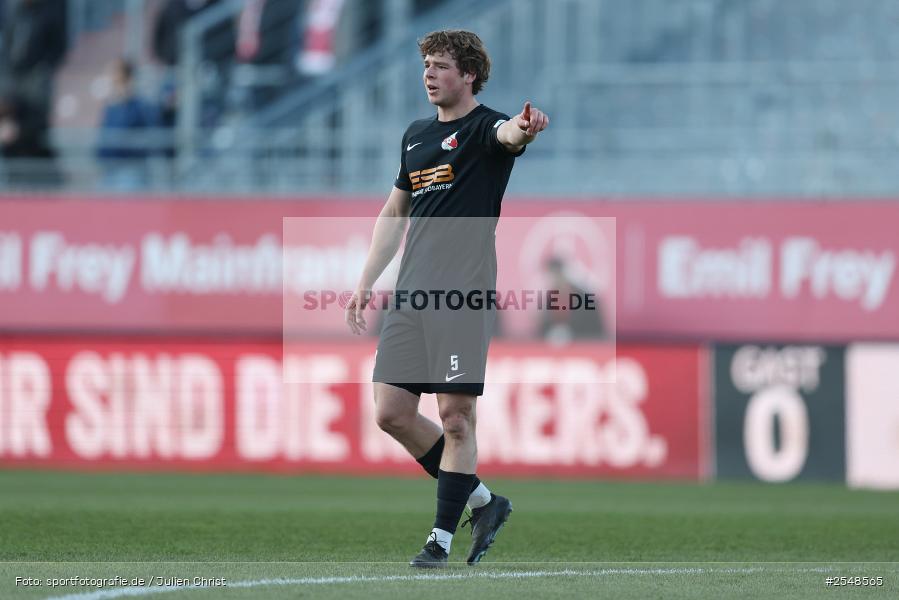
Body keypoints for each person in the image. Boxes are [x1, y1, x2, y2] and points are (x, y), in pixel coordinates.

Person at [344, 30, 548, 568]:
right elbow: (393, 214)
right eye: (426, 66)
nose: (429, 75)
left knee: (456, 418)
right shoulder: (415, 137)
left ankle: (440, 541)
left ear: (469, 74)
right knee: (390, 413)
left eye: (440, 66)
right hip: (409, 296)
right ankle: (484, 502)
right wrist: (366, 281)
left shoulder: (486, 129)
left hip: (462, 296)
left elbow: (509, 137)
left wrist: (523, 129)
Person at [96, 59, 161, 189]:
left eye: (117, 76)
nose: (113, 81)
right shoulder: (111, 107)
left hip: (131, 170)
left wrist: (126, 101)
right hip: (109, 170)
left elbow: (150, 136)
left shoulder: (140, 106)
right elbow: (103, 140)